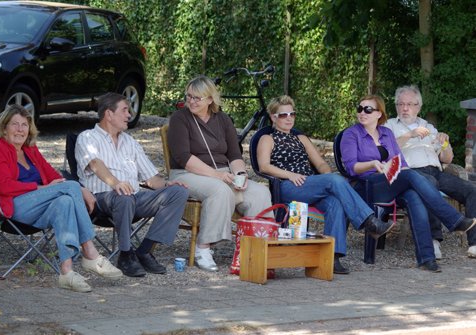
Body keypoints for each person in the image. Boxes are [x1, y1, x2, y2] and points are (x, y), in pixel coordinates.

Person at [0, 105, 123, 293]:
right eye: (14, 124)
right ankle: (90, 253)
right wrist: (46, 188)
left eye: (24, 125)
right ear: (4, 128)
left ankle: (66, 272)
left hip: (38, 207)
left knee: (64, 202)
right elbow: (3, 186)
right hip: (11, 206)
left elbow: (52, 174)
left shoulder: (30, 150)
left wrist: (77, 188)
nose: (20, 129)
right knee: (71, 187)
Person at [256, 95, 394, 274]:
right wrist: (290, 175)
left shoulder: (301, 138)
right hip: (287, 186)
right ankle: (369, 222)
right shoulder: (267, 139)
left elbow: (320, 164)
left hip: (310, 185)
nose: (289, 118)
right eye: (283, 115)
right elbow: (264, 166)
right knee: (336, 179)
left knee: (336, 202)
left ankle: (332, 258)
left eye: (292, 114)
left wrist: (328, 181)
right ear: (274, 117)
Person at [340, 94, 476, 272]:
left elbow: (400, 162)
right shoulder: (351, 134)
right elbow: (351, 167)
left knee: (413, 196)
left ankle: (426, 258)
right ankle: (453, 220)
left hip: (390, 182)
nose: (362, 113)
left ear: (378, 113)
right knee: (412, 176)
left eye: (368, 109)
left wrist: (396, 168)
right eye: (360, 108)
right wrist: (373, 164)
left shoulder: (386, 134)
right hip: (366, 185)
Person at [75, 92, 189, 277]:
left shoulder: (130, 142)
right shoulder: (88, 138)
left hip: (134, 198)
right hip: (101, 199)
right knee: (124, 196)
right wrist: (116, 183)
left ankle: (145, 250)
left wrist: (168, 184)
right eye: (125, 110)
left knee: (178, 192)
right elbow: (95, 164)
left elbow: (151, 179)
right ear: (109, 114)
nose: (129, 115)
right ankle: (125, 255)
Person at [167, 75, 273, 272]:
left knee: (260, 192)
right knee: (219, 190)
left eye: (197, 98)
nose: (191, 101)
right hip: (187, 173)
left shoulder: (223, 119)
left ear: (210, 99)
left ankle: (255, 250)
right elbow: (183, 158)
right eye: (189, 96)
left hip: (223, 173)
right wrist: (217, 176)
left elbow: (234, 153)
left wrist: (240, 174)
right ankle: (203, 248)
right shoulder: (180, 118)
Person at [385, 85, 476, 259]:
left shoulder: (429, 127)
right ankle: (434, 241)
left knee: (471, 190)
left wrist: (445, 143)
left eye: (410, 104)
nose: (405, 108)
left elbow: (447, 159)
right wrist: (410, 134)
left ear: (418, 107)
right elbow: (387, 151)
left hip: (437, 171)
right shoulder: (389, 127)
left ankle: (474, 243)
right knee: (429, 185)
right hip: (411, 174)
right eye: (401, 104)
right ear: (396, 106)